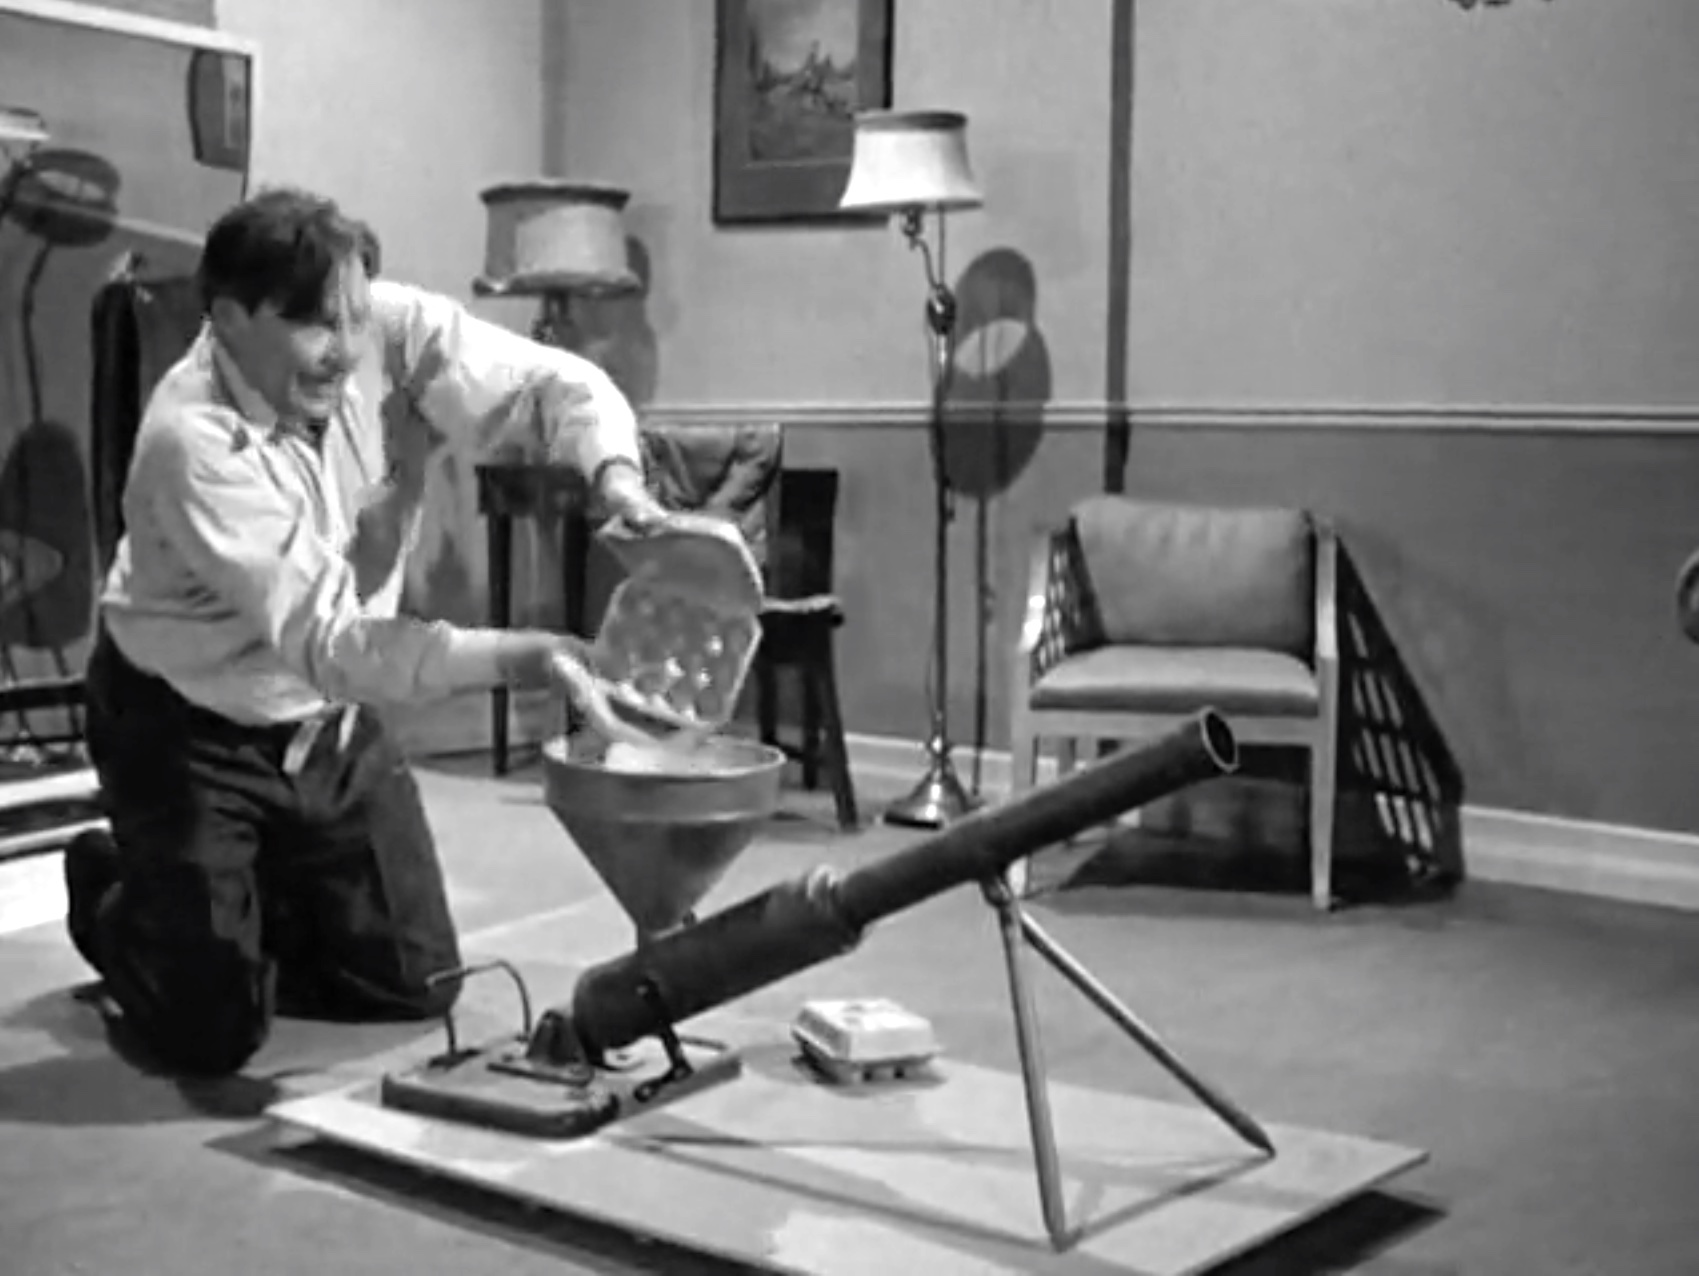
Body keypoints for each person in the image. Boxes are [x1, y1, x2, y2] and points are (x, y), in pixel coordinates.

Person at [63, 186, 667, 1078]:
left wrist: (615, 478)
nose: (346, 347)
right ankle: (116, 887)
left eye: (353, 315)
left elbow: (549, 385)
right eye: (313, 324)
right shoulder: (193, 442)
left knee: (415, 985)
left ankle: (244, 895)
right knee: (212, 1033)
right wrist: (533, 656)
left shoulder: (386, 328)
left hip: (326, 725)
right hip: (187, 723)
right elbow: (341, 648)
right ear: (228, 319)